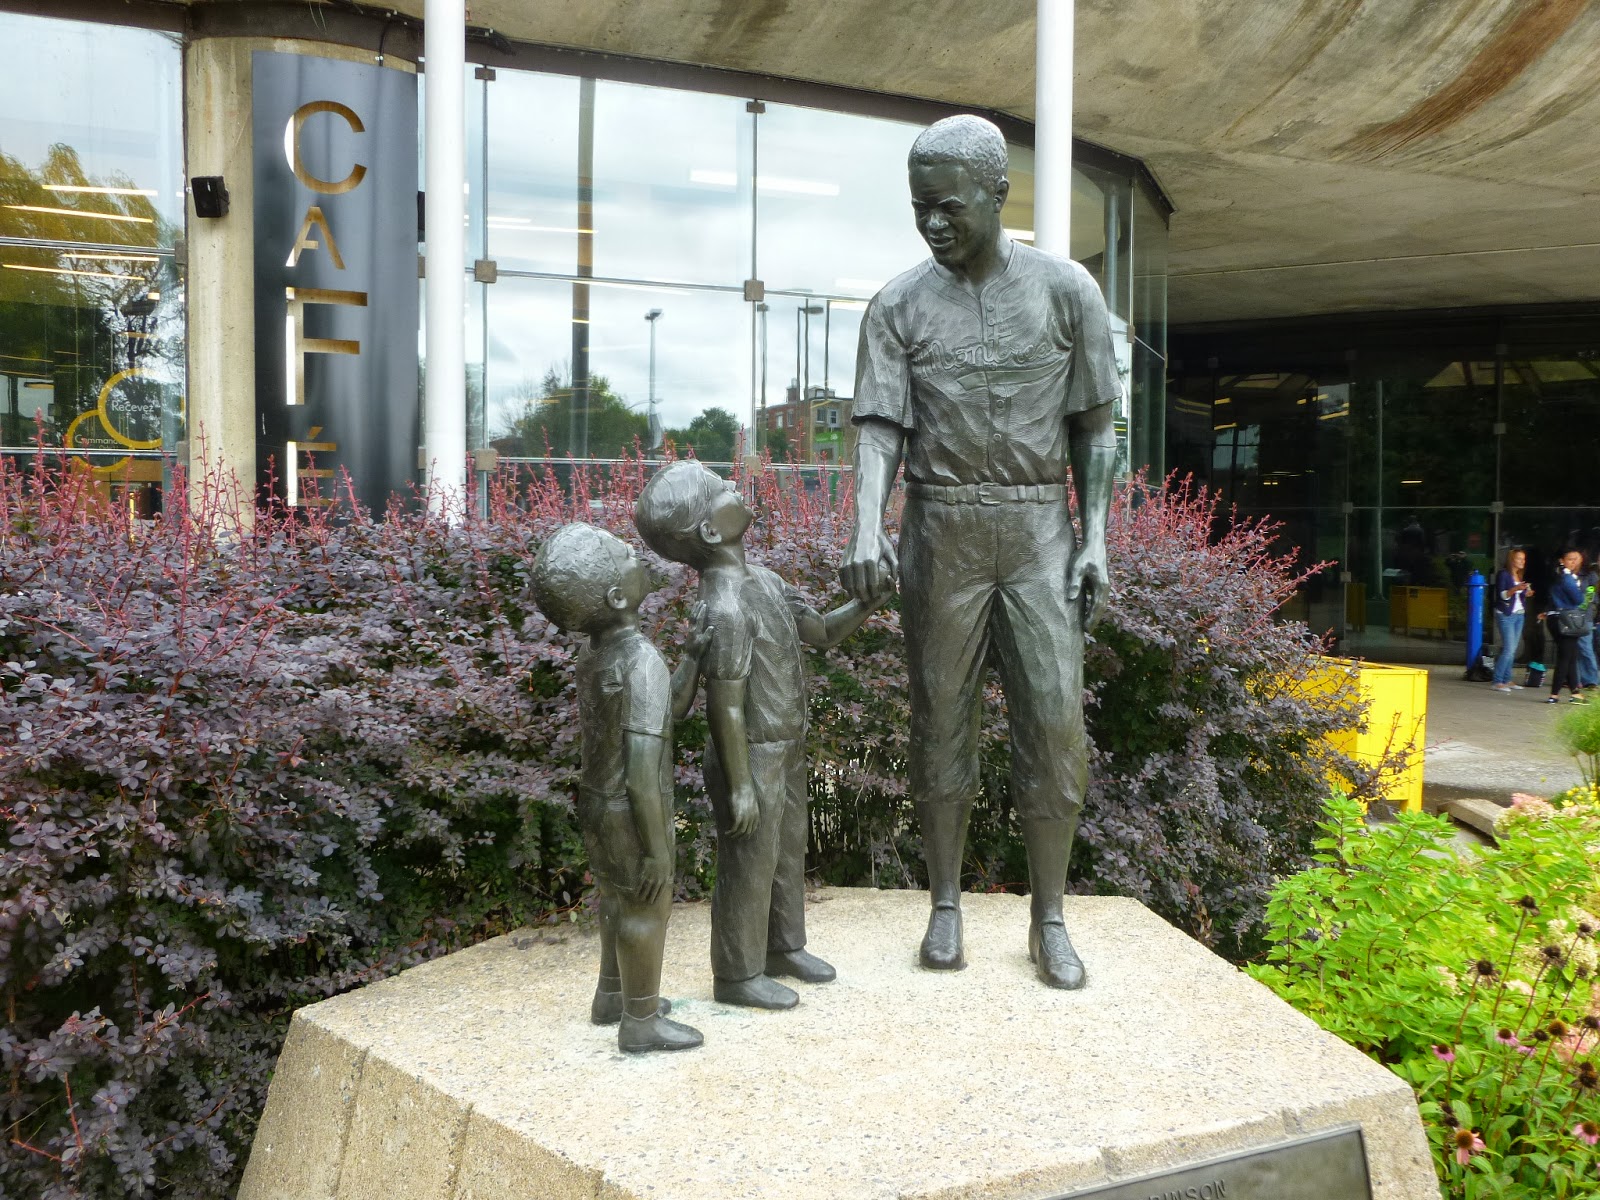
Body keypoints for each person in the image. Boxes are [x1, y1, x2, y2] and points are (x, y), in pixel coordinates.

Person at [839, 115, 1121, 989]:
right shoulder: (898, 304)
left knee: (1053, 723)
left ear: (1000, 195)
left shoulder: (1067, 289)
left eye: (949, 206)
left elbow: (1097, 427)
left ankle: (1049, 918)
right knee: (939, 721)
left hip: (1041, 530)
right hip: (941, 527)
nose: (932, 224)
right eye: (920, 207)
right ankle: (946, 905)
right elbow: (880, 428)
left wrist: (1098, 538)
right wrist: (862, 525)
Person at [635, 462, 886, 1010]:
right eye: (722, 488)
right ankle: (736, 973)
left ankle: (783, 946)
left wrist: (869, 602)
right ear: (710, 530)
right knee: (748, 864)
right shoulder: (724, 608)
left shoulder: (766, 583)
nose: (734, 485)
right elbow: (724, 707)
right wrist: (742, 785)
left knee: (785, 851)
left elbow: (819, 632)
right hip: (746, 756)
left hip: (784, 746)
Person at [529, 523, 706, 1053]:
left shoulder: (595, 654)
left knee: (615, 898)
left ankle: (612, 995)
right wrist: (656, 850)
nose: (638, 555)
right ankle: (641, 1020)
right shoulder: (641, 662)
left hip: (595, 800)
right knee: (646, 908)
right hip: (631, 807)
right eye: (628, 555)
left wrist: (692, 658)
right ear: (617, 594)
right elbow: (642, 772)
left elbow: (666, 714)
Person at [1544, 548, 1591, 704]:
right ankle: (1554, 694)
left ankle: (1575, 692)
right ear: (1562, 560)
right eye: (1570, 559)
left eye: (1576, 559)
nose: (1574, 562)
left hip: (1555, 618)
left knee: (1571, 656)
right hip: (1566, 620)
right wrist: (1580, 589)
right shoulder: (1568, 578)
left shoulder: (1557, 576)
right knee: (1565, 658)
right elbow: (1578, 599)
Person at [1491, 548, 1533, 693]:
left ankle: (1507, 679)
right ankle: (1497, 681)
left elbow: (1517, 596)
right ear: (1512, 560)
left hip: (1519, 614)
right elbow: (1503, 595)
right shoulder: (1503, 574)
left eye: (1524, 559)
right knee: (1509, 649)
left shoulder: (1519, 574)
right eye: (1519, 558)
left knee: (1513, 650)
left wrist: (1525, 592)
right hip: (1506, 614)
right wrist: (1516, 588)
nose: (1523, 561)